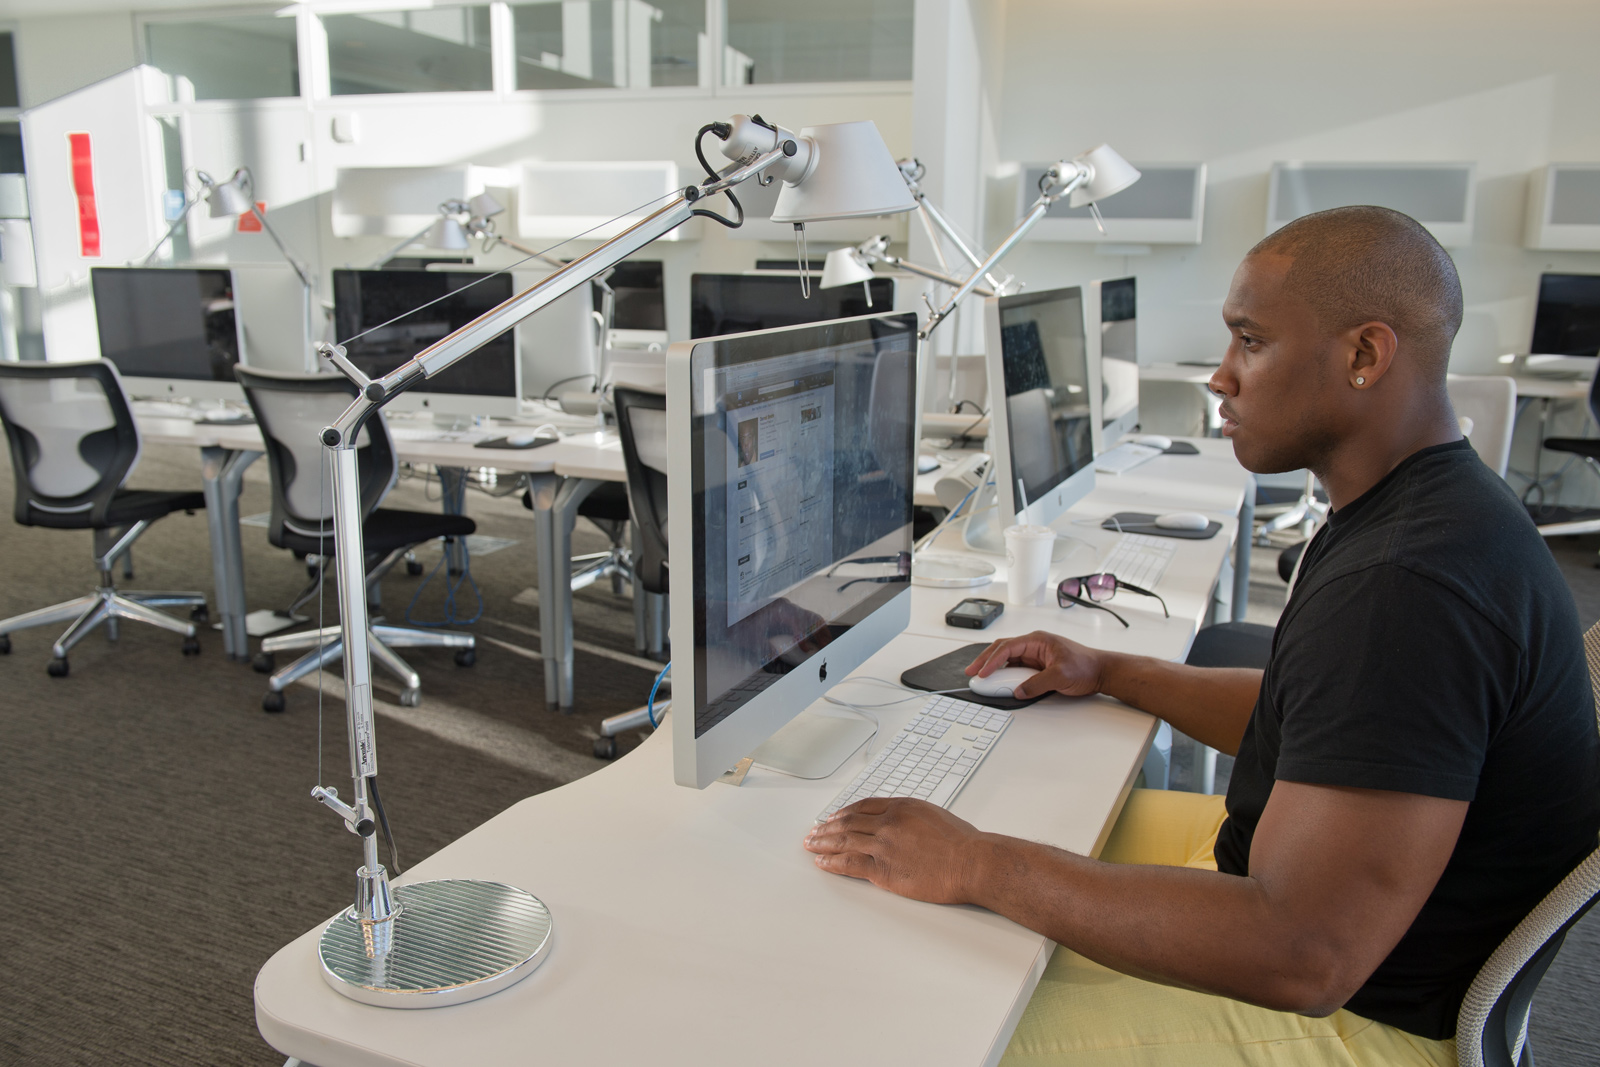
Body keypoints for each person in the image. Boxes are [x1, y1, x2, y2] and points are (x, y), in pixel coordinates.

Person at [803, 206, 1600, 1065]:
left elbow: (1304, 954)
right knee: (1016, 832)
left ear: (1364, 355)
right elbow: (1323, 717)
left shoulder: (1408, 584)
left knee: (932, 1023)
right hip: (1292, 893)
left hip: (1361, 1017)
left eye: (1251, 342)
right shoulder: (1413, 502)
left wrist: (982, 865)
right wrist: (1108, 667)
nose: (1221, 377)